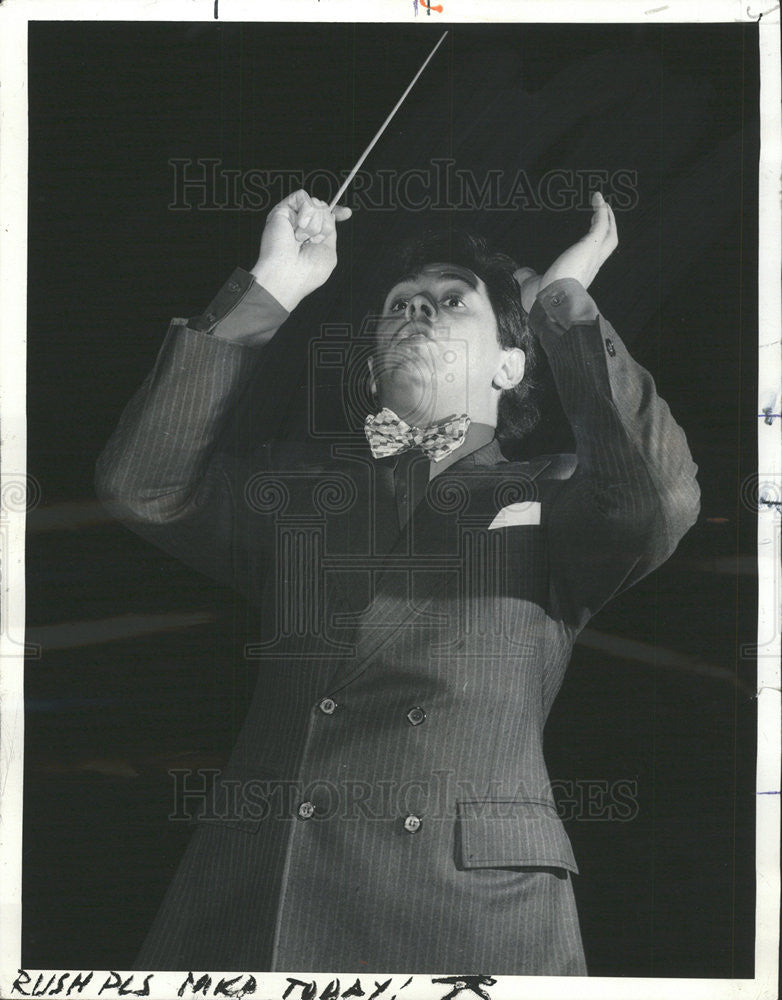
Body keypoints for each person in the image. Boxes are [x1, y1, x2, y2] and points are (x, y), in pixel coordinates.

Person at [95, 189, 700, 975]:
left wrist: (560, 305)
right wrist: (273, 285)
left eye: (453, 302)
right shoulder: (300, 493)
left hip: (465, 904)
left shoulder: (554, 493)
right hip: (271, 890)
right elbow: (143, 485)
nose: (420, 311)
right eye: (401, 304)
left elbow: (658, 498)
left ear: (511, 366)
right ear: (374, 359)